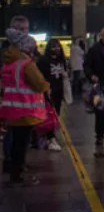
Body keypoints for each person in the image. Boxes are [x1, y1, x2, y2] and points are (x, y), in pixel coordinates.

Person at [0, 29, 49, 185]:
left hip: (12, 109)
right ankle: (18, 175)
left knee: (15, 143)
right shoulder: (26, 64)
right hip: (26, 110)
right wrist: (47, 85)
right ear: (26, 47)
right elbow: (39, 84)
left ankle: (14, 172)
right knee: (22, 144)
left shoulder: (8, 62)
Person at [1, 15, 30, 175]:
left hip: (23, 97)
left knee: (21, 132)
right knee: (11, 132)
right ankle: (12, 164)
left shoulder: (27, 48)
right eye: (20, 29)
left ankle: (16, 162)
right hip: (10, 96)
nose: (23, 33)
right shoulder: (8, 49)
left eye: (25, 29)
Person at [36, 39, 67, 151]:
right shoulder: (43, 60)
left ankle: (50, 136)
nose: (56, 49)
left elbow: (64, 73)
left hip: (58, 91)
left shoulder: (61, 60)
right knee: (47, 114)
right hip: (46, 92)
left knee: (55, 114)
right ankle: (49, 137)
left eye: (58, 46)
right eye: (53, 47)